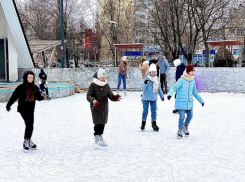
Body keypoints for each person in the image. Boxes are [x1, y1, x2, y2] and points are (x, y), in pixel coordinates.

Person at [6, 71, 44, 150]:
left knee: (30, 125)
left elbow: (39, 98)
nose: (30, 79)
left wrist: (42, 93)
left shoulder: (35, 87)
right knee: (29, 124)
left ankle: (28, 140)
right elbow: (14, 96)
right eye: (29, 77)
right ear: (26, 78)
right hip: (23, 109)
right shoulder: (21, 87)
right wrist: (8, 105)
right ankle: (26, 141)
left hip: (31, 109)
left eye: (32, 77)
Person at [167, 64, 204, 139]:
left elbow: (194, 92)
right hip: (181, 102)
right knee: (182, 117)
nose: (193, 72)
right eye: (191, 71)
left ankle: (185, 126)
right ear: (188, 71)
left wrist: (201, 101)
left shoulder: (192, 81)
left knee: (190, 116)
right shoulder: (181, 80)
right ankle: (180, 131)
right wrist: (170, 94)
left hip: (189, 102)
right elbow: (174, 87)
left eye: (193, 71)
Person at [87, 68, 121, 146]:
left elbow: (110, 94)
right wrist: (93, 100)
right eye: (102, 77)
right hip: (96, 106)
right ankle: (97, 136)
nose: (104, 79)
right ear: (98, 77)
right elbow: (88, 95)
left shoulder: (106, 84)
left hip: (104, 106)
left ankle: (100, 136)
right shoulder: (93, 84)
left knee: (103, 122)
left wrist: (114, 97)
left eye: (104, 77)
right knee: (97, 122)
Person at [141, 64, 164, 131]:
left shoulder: (157, 79)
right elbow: (142, 88)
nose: (153, 73)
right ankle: (143, 123)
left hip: (153, 98)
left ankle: (154, 123)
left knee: (154, 111)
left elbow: (159, 88)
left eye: (154, 72)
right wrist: (145, 83)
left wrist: (162, 96)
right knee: (145, 111)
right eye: (152, 72)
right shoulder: (146, 78)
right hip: (146, 97)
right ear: (149, 71)